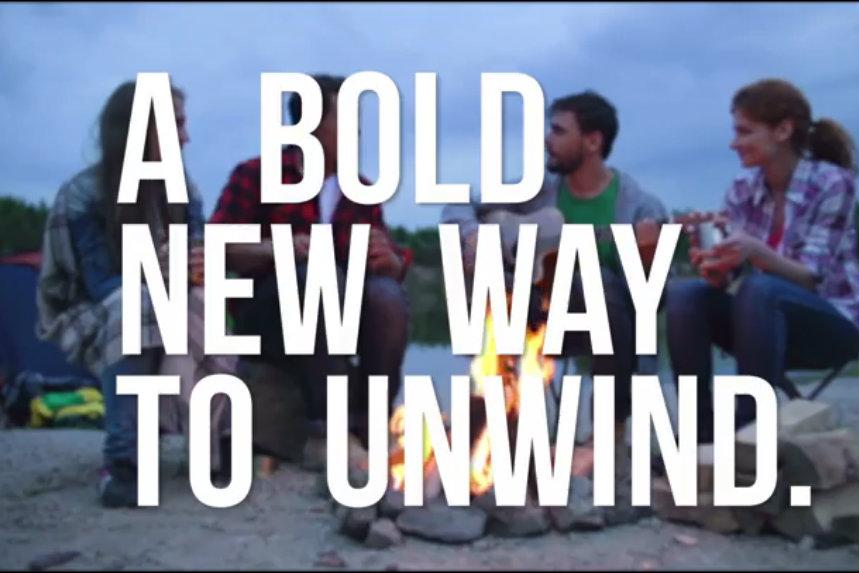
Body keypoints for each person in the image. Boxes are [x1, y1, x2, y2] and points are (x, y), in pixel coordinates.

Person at [442, 90, 670, 477]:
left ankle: (607, 433)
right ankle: (495, 429)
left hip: (599, 327)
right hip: (531, 315)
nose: (548, 139)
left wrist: (648, 258)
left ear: (592, 141)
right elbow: (458, 203)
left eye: (559, 131)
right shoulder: (535, 189)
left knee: (597, 282)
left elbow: (653, 301)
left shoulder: (641, 208)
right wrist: (471, 235)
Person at [37, 80, 235, 508]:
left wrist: (199, 269)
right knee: (139, 304)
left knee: (206, 305)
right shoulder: (84, 194)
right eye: (176, 124)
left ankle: (217, 442)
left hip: (163, 302)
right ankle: (122, 460)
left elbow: (196, 262)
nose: (186, 136)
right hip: (92, 310)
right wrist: (164, 275)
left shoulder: (184, 189)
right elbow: (100, 284)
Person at [209, 74, 412, 469]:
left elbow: (385, 259)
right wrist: (276, 249)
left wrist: (391, 260)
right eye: (346, 120)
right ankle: (326, 433)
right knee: (315, 275)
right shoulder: (256, 174)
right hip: (269, 315)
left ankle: (371, 428)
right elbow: (216, 248)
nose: (356, 132)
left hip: (338, 314)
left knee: (387, 296)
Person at [666, 78, 859, 443]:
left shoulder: (833, 183)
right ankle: (699, 434)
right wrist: (715, 265)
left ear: (783, 131)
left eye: (744, 132)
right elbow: (729, 280)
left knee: (760, 289)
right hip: (761, 324)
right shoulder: (742, 190)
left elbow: (810, 278)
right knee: (685, 296)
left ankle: (747, 430)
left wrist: (754, 250)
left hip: (833, 325)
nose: (733, 143)